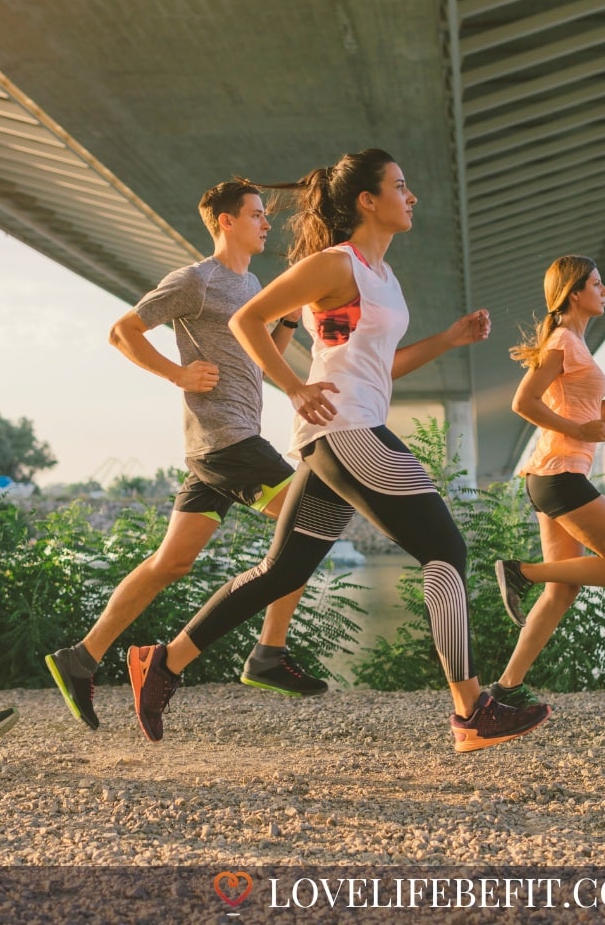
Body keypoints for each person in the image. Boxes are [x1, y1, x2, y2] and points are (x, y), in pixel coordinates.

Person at [125, 150, 550, 753]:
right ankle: (471, 710)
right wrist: (295, 386)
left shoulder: (384, 278)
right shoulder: (335, 263)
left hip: (345, 430)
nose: (413, 196)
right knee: (444, 549)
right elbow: (250, 318)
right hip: (346, 430)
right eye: (401, 187)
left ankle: (163, 662)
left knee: (283, 571)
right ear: (367, 202)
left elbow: (385, 365)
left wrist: (449, 339)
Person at [45, 179, 326, 730]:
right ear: (226, 221)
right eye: (256, 214)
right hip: (226, 441)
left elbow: (264, 351)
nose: (266, 222)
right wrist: (177, 374)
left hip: (219, 445)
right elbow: (122, 331)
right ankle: (268, 653)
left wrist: (289, 318)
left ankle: (81, 657)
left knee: (171, 563)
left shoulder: (251, 283)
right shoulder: (196, 280)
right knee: (312, 521)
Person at [491, 255, 605, 704]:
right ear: (574, 292)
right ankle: (519, 572)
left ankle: (506, 689)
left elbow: (594, 415)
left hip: (553, 475)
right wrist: (578, 432)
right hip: (560, 475)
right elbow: (523, 402)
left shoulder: (574, 344)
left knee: (562, 590)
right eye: (598, 284)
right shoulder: (563, 340)